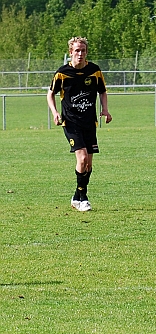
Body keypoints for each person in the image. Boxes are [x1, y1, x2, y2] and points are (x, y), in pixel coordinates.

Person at [46, 37, 112, 212]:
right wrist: (55, 113)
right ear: (71, 52)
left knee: (88, 165)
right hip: (71, 123)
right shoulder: (62, 73)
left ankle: (77, 196)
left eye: (83, 50)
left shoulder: (94, 71)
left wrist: (105, 109)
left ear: (86, 52)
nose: (80, 54)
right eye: (77, 50)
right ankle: (83, 199)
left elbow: (103, 91)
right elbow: (50, 94)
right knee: (82, 159)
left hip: (89, 123)